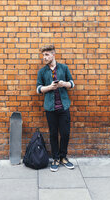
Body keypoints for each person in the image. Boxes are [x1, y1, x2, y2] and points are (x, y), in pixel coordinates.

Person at [36, 44, 75, 172]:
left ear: (53, 54)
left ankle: (64, 157)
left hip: (64, 107)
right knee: (53, 134)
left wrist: (64, 84)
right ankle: (56, 159)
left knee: (65, 133)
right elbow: (38, 89)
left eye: (46, 55)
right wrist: (50, 87)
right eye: (43, 55)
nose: (44, 57)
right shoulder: (42, 71)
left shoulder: (64, 68)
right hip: (50, 108)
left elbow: (72, 84)